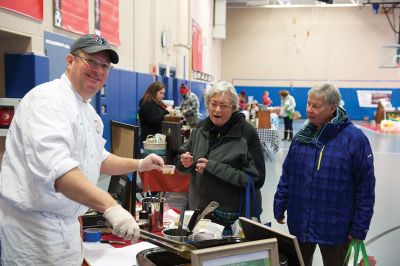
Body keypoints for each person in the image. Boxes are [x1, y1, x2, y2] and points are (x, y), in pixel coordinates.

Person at [0, 34, 165, 265]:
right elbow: (59, 172)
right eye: (91, 61)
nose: (98, 70)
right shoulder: (47, 101)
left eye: (105, 65)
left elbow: (98, 158)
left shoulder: (87, 112)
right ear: (70, 61)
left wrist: (138, 164)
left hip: (66, 230)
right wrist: (110, 207)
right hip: (33, 236)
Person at [273, 83, 375, 266]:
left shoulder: (354, 139)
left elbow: (365, 188)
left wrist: (360, 227)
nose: (309, 110)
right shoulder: (302, 137)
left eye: (316, 106)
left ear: (332, 108)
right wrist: (280, 202)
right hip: (300, 223)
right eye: (308, 104)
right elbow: (288, 174)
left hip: (336, 229)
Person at [176, 81, 265, 235]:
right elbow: (183, 156)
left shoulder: (246, 133)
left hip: (230, 217)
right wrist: (185, 162)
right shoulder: (200, 127)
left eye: (224, 105)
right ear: (207, 104)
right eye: (213, 104)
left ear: (233, 108)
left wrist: (213, 167)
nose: (217, 109)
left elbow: (255, 179)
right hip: (198, 211)